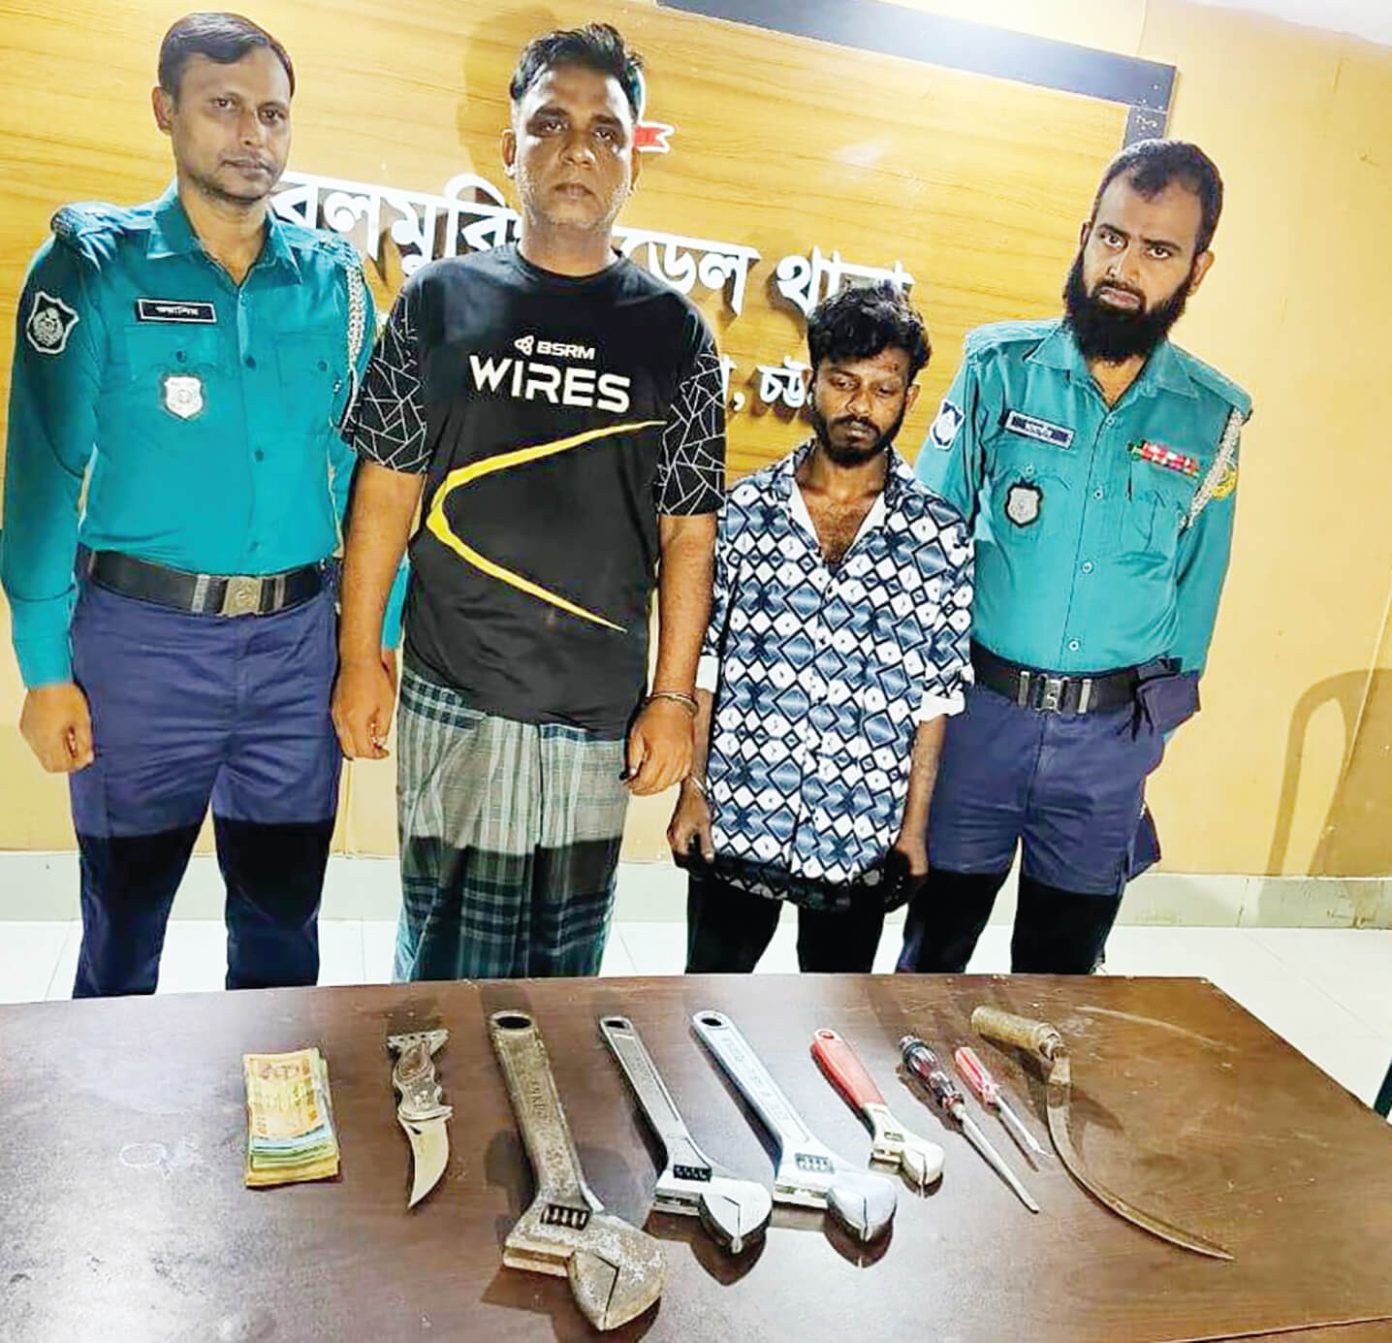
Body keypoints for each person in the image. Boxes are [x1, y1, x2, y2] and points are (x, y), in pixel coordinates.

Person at [0, 13, 391, 996]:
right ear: (165, 110)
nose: (253, 133)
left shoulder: (338, 285)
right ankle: (108, 1094)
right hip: (140, 653)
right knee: (124, 924)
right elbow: (41, 483)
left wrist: (372, 643)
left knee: (282, 924)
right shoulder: (93, 269)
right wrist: (44, 673)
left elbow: (373, 480)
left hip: (297, 652)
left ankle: (276, 1093)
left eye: (273, 113)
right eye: (224, 105)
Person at [334, 23, 725, 981]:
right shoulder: (437, 302)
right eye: (551, 123)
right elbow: (384, 491)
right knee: (439, 964)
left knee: (563, 977)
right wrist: (357, 657)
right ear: (510, 149)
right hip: (452, 689)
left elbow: (688, 530)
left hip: (594, 712)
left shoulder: (678, 336)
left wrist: (673, 696)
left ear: (634, 161)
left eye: (605, 130)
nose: (577, 148)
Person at [898, 139, 1252, 975]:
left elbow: (1197, 589)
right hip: (979, 722)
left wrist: (1142, 741)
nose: (1124, 267)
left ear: (1196, 270)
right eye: (1112, 237)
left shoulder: (1214, 419)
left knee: (1064, 981)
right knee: (930, 961)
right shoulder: (998, 370)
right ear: (1084, 235)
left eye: (1158, 250)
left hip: (1107, 744)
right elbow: (926, 550)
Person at [670, 283, 972, 974]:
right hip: (738, 819)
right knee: (708, 1002)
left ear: (908, 398)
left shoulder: (940, 537)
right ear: (812, 381)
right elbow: (704, 667)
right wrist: (692, 793)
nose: (860, 406)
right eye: (843, 382)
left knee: (836, 1014)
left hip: (860, 835)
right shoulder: (743, 511)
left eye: (882, 389)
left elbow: (935, 700)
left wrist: (914, 831)